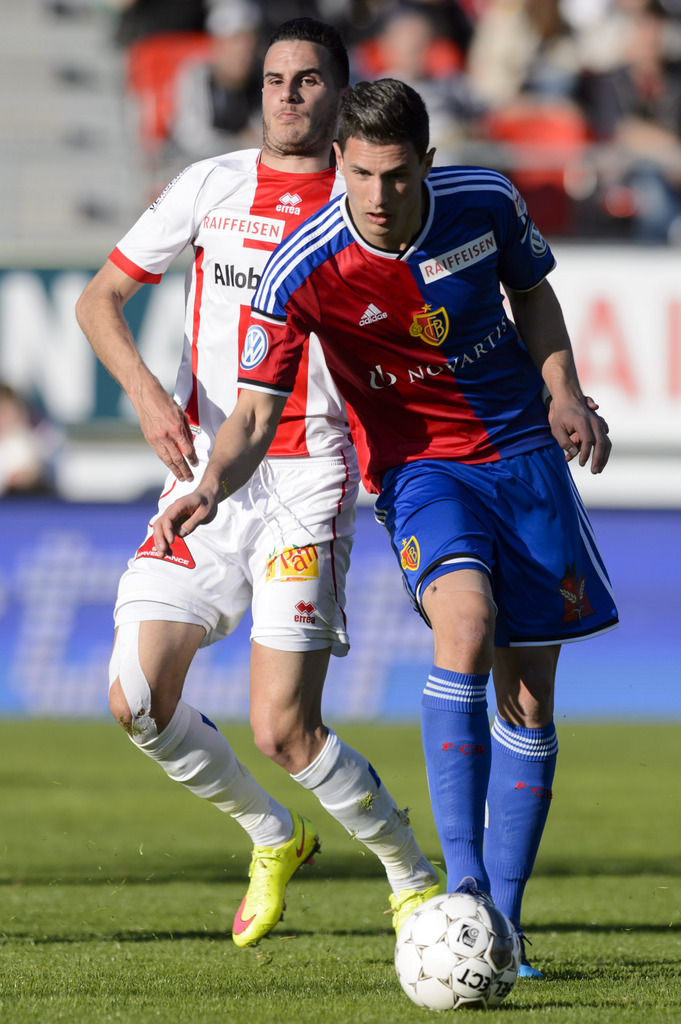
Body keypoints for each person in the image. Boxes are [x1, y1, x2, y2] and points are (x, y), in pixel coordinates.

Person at [152, 77, 620, 978]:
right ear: (339, 163)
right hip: (421, 470)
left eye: (395, 177)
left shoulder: (484, 201)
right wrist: (211, 488)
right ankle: (465, 888)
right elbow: (252, 415)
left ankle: (504, 929)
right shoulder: (301, 266)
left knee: (527, 696)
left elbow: (535, 298)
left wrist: (562, 392)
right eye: (360, 174)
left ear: (425, 167)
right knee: (467, 627)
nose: (375, 195)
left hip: (522, 455)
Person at [75, 25, 442, 950]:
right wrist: (150, 394)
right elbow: (97, 300)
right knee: (135, 700)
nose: (285, 95)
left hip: (308, 473)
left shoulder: (371, 201)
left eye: (307, 79)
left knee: (282, 728)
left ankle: (409, 876)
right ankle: (272, 834)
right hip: (206, 465)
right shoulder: (211, 184)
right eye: (274, 79)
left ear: (338, 91)